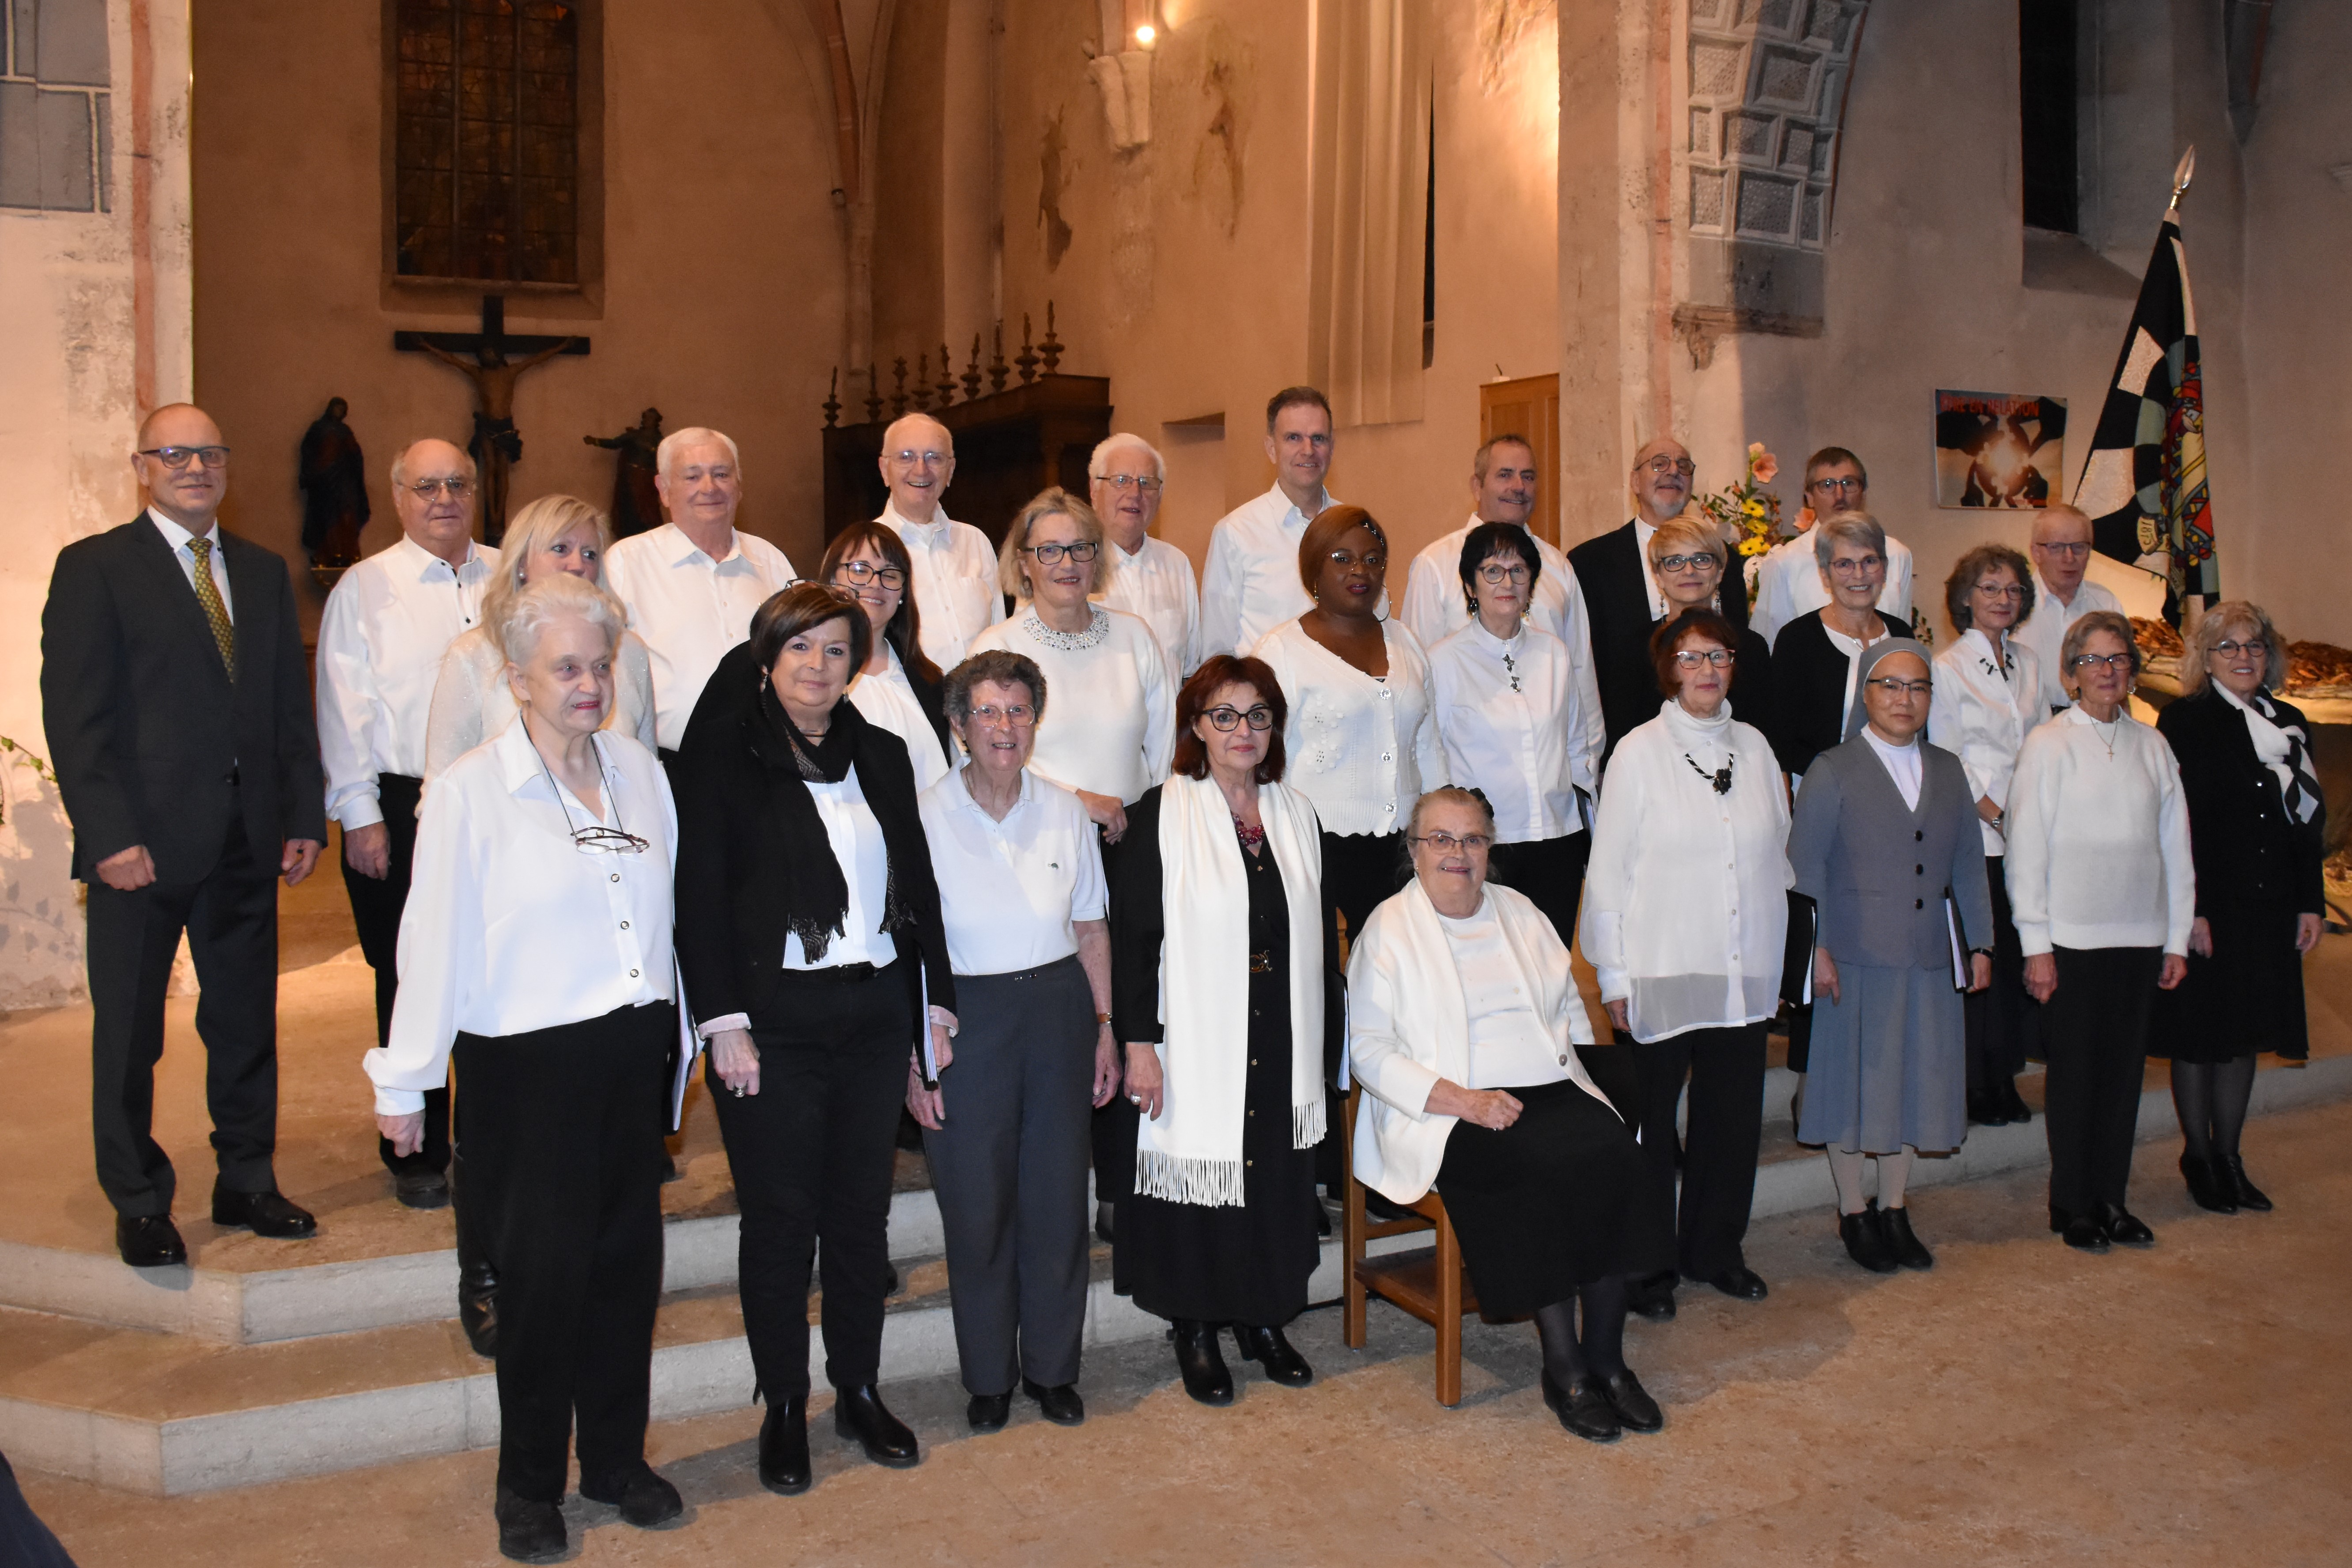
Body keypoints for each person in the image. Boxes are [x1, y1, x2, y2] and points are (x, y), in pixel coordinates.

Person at [366, 574, 682, 1560]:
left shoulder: (639, 767)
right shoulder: (468, 789)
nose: (589, 684)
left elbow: (664, 918)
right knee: (543, 1284)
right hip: (526, 1067)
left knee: (627, 1271)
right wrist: (406, 1078)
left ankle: (617, 1460)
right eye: (567, 668)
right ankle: (530, 1482)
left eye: (601, 665)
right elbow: (434, 939)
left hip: (630, 1053)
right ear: (516, 677)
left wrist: (676, 1049)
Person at [672, 583, 957, 1492]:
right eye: (799, 648)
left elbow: (917, 888)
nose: (817, 666)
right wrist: (722, 1024)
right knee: (780, 1221)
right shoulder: (723, 757)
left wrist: (931, 1011)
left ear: (858, 662)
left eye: (836, 650)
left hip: (872, 1012)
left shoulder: (880, 752)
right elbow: (699, 904)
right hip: (773, 1023)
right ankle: (784, 1403)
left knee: (859, 1217)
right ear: (767, 657)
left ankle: (859, 1388)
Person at [40, 403, 327, 1269]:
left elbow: (287, 707)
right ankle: (137, 1195)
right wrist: (108, 836)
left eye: (209, 452)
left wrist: (303, 815)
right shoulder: (96, 568)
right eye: (175, 453)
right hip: (143, 849)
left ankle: (245, 1176)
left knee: (244, 1022)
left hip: (247, 838)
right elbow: (77, 719)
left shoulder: (261, 568)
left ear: (226, 465)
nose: (194, 466)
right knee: (131, 1032)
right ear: (143, 465)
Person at [1349, 787, 1669, 1443]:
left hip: (1547, 1083)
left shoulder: (1519, 910)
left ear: (1490, 848)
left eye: (1471, 839)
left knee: (1615, 1153)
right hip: (1449, 1105)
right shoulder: (1387, 927)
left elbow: (1567, 1013)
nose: (1456, 853)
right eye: (1440, 838)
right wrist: (1463, 1099)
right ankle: (1565, 1365)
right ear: (1413, 850)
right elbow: (1368, 1052)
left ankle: (1608, 1357)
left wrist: (1585, 1081)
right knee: (1534, 1166)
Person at [908, 650, 1119, 1433]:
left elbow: (1091, 925)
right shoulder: (923, 815)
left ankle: (1055, 1370)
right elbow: (904, 948)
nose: (1005, 727)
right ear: (958, 725)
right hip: (966, 1019)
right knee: (978, 1205)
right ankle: (989, 1374)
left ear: (1037, 720)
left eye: (1020, 710)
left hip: (1060, 1009)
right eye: (988, 712)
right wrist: (915, 1055)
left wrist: (1103, 1027)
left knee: (1058, 1199)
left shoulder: (1065, 809)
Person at [1110, 656, 1326, 1404]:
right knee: (1200, 1193)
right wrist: (1140, 1045)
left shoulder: (1297, 815)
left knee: (1271, 1180)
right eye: (1225, 715)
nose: (1243, 730)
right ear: (1196, 727)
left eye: (1258, 714)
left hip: (1280, 1032)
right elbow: (1135, 942)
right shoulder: (1158, 815)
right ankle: (1197, 1328)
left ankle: (1263, 1318)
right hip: (1197, 1036)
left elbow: (1315, 942)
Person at [1581, 607, 1790, 1316]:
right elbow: (1607, 872)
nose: (1706, 670)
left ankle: (1715, 1248)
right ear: (1668, 668)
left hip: (1742, 966)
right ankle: (1647, 1266)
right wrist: (1612, 974)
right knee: (1650, 1128)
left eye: (1718, 656)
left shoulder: (1757, 747)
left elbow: (1776, 856)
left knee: (1731, 1122)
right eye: (1691, 657)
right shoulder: (1638, 752)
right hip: (1661, 965)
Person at [314, 438, 500, 1211]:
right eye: (426, 485)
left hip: (501, 797)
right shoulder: (364, 587)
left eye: (458, 483)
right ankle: (415, 1143)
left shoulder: (511, 573)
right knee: (410, 971)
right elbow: (342, 706)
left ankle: (492, 1134)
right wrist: (359, 815)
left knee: (497, 967)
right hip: (400, 799)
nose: (445, 498)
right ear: (398, 497)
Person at [1789, 641, 1993, 1274]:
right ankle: (1854, 1209)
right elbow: (1803, 866)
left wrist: (1980, 941)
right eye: (1889, 685)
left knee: (1914, 1079)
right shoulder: (1833, 767)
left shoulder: (1949, 768)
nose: (1904, 699)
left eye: (1917, 687)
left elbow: (1967, 860)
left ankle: (1895, 1206)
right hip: (1853, 955)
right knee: (1855, 1085)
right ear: (1865, 693)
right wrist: (1813, 950)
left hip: (1929, 953)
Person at [2006, 611, 2193, 1251]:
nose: (2107, 671)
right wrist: (2035, 945)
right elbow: (2024, 848)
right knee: (2076, 1076)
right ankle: (2072, 1203)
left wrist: (2174, 937)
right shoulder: (2048, 743)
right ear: (2070, 672)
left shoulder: (2153, 744)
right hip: (2071, 941)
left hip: (2139, 937)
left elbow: (2176, 846)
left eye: (2118, 660)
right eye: (2093, 660)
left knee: (2122, 1077)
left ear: (2132, 671)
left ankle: (2111, 1197)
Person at [2152, 601, 2325, 1216]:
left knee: (2247, 1032)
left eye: (2254, 645)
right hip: (2210, 904)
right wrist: (2188, 910)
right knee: (2201, 1035)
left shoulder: (2290, 719)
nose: (2244, 657)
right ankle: (2196, 1155)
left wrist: (2310, 901)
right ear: (2205, 657)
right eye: (2228, 647)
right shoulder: (2183, 721)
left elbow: (2305, 823)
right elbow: (2174, 824)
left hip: (2270, 902)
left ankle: (2229, 1154)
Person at [1427, 520, 1602, 945]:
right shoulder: (1444, 660)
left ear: (1531, 584)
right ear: (1470, 586)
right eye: (1492, 570)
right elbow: (1432, 757)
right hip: (1485, 844)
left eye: (1518, 570)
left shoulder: (1554, 653)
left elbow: (1578, 742)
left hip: (1558, 841)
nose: (1506, 581)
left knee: (1551, 963)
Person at [968, 490, 1175, 844]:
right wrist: (1079, 801)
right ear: (1024, 563)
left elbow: (1166, 746)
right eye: (1049, 550)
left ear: (1097, 558)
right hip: (1039, 836)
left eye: (1081, 548)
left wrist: (1156, 823)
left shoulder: (1134, 635)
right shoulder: (999, 647)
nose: (1068, 564)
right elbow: (982, 758)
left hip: (1134, 838)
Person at [1925, 544, 2044, 1129]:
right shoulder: (1945, 668)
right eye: (1990, 587)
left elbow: (2042, 743)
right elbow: (1949, 758)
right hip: (1979, 833)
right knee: (1982, 960)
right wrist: (1998, 814)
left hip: (2030, 829)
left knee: (2017, 955)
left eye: (2012, 589)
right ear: (1965, 597)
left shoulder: (2029, 661)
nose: (2003, 599)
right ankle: (1976, 1083)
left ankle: (2005, 1076)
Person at [424, 493, 657, 782]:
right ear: (521, 563)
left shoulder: (629, 650)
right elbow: (442, 786)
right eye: (561, 549)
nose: (577, 565)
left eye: (590, 554)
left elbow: (647, 773)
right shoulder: (474, 653)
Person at [600, 427, 797, 761]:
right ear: (663, 490)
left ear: (739, 486)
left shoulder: (770, 560)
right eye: (692, 476)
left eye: (721, 474)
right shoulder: (626, 563)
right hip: (674, 766)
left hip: (770, 759)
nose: (710, 488)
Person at [1568, 436, 1745, 767]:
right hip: (1630, 741)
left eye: (1683, 466)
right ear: (1635, 481)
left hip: (1722, 742)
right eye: (1659, 463)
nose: (1673, 472)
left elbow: (1738, 647)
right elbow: (1587, 662)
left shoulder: (1728, 560)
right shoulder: (1589, 562)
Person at [1399, 434, 1585, 649]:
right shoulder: (1435, 565)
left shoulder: (1558, 566)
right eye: (1505, 475)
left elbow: (1579, 667)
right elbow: (1417, 662)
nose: (1519, 486)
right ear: (1477, 487)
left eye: (1528, 477)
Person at [1201, 386, 1344, 657]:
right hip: (1269, 697)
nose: (1308, 450)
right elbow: (1216, 650)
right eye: (1293, 438)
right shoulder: (1236, 532)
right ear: (1271, 449)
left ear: (1332, 448)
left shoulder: (1353, 529)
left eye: (1318, 438)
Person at [820, 521, 953, 791]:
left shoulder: (930, 682)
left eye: (890, 574)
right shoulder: (810, 672)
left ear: (903, 592)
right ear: (833, 579)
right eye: (859, 570)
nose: (875, 584)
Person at [1770, 512, 1903, 780]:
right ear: (1825, 574)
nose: (1859, 574)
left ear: (1885, 568)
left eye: (1870, 561)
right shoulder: (1797, 640)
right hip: (1820, 789)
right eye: (1844, 564)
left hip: (1894, 786)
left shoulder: (1901, 635)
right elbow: (1780, 739)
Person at [1748, 447, 1915, 646]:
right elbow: (1767, 645)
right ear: (1809, 496)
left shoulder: (1896, 555)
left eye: (1849, 483)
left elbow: (1902, 641)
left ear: (1863, 492)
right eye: (1827, 485)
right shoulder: (1784, 563)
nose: (1840, 494)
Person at [874, 412, 1002, 669]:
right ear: (884, 470)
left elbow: (999, 636)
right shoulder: (864, 550)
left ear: (951, 471)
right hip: (903, 706)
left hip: (977, 705)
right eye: (906, 457)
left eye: (934, 458)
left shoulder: (976, 543)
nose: (921, 469)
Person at [1646, 517, 1780, 755]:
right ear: (1658, 576)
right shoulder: (1636, 647)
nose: (1689, 571)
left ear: (1720, 572)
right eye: (1675, 561)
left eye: (1702, 560)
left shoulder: (1750, 647)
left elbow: (1769, 735)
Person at [1090, 432, 1203, 680]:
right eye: (1121, 480)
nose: (1135, 493)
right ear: (1094, 490)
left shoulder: (1177, 564)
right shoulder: (1072, 566)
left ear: (1160, 496)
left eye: (1146, 482)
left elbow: (1191, 670)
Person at [2013, 503, 2125, 717]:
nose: (2069, 558)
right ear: (2036, 552)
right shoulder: (2014, 605)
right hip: (2032, 728)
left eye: (2079, 547)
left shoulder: (2106, 604)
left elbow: (2122, 675)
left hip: (2095, 725)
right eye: (2056, 547)